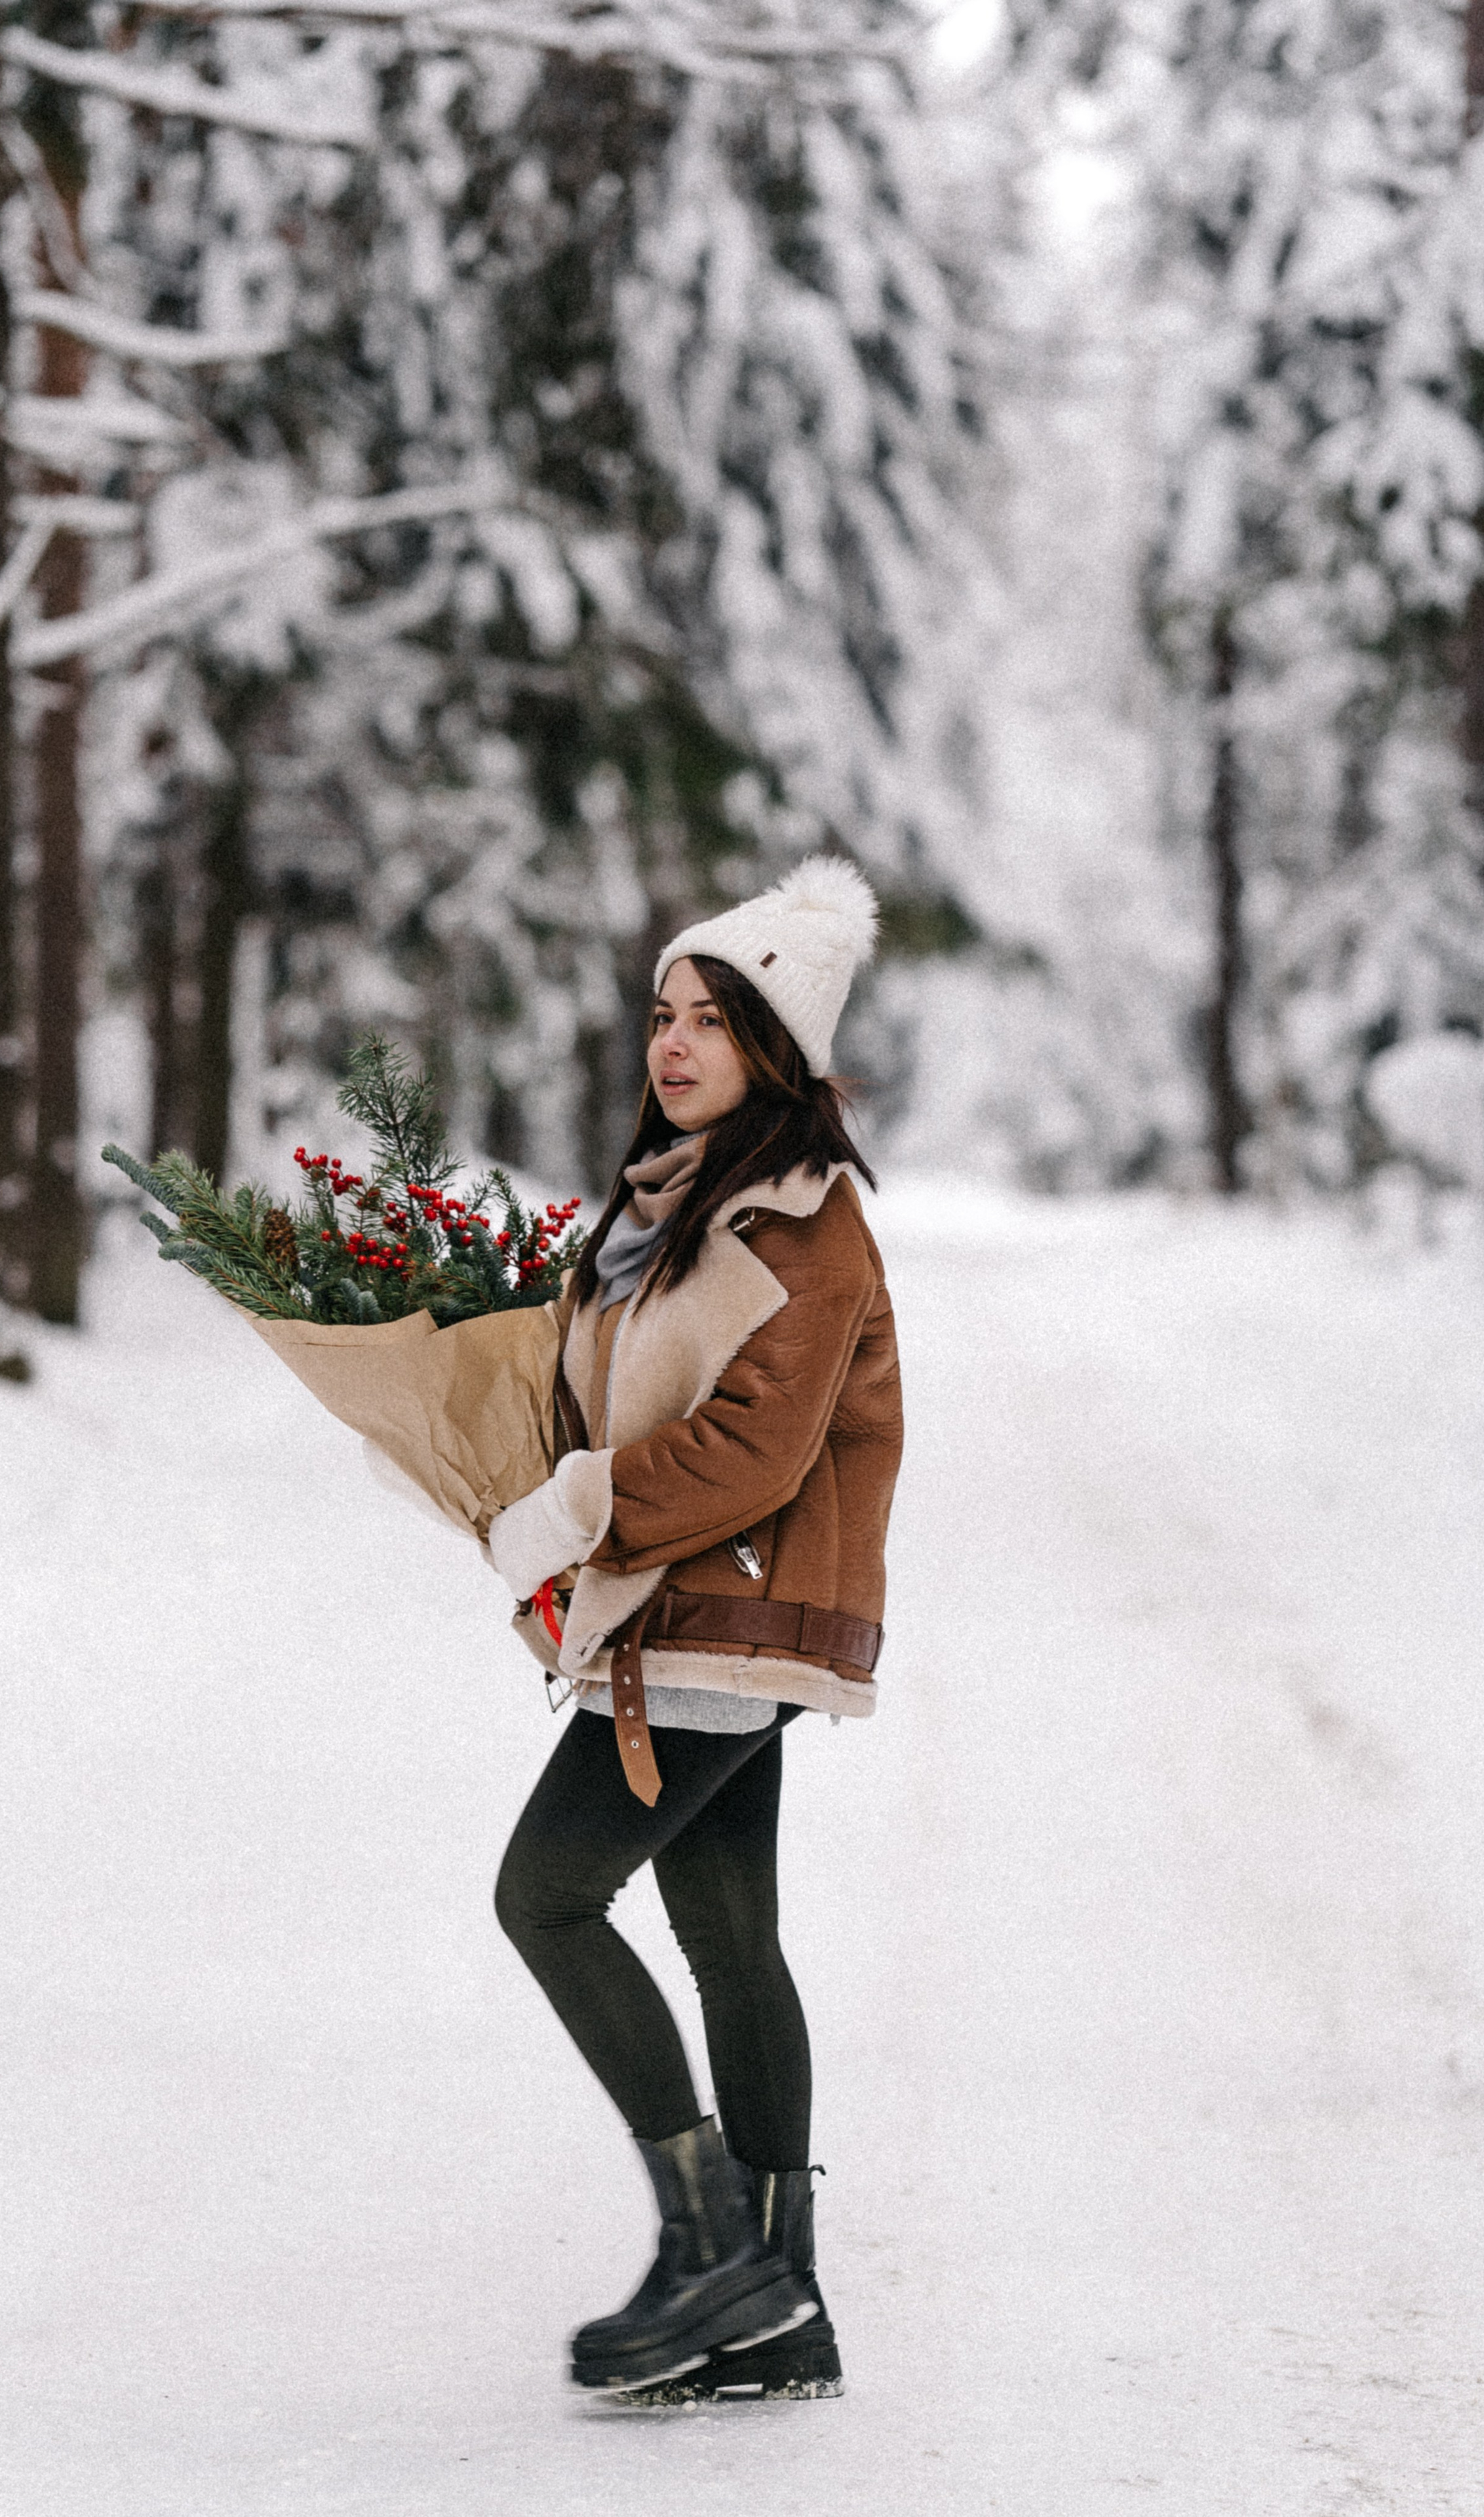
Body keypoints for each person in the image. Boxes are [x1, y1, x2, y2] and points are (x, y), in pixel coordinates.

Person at [486, 857, 904, 2402]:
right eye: (660, 1013)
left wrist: (581, 1509)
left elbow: (752, 1450)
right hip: (692, 1612)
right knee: (729, 1939)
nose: (671, 1044)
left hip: (731, 1611)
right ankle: (782, 2306)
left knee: (545, 1895)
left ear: (771, 1051)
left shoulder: (801, 1221)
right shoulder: (670, 1208)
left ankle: (712, 2239)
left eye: (710, 1021)